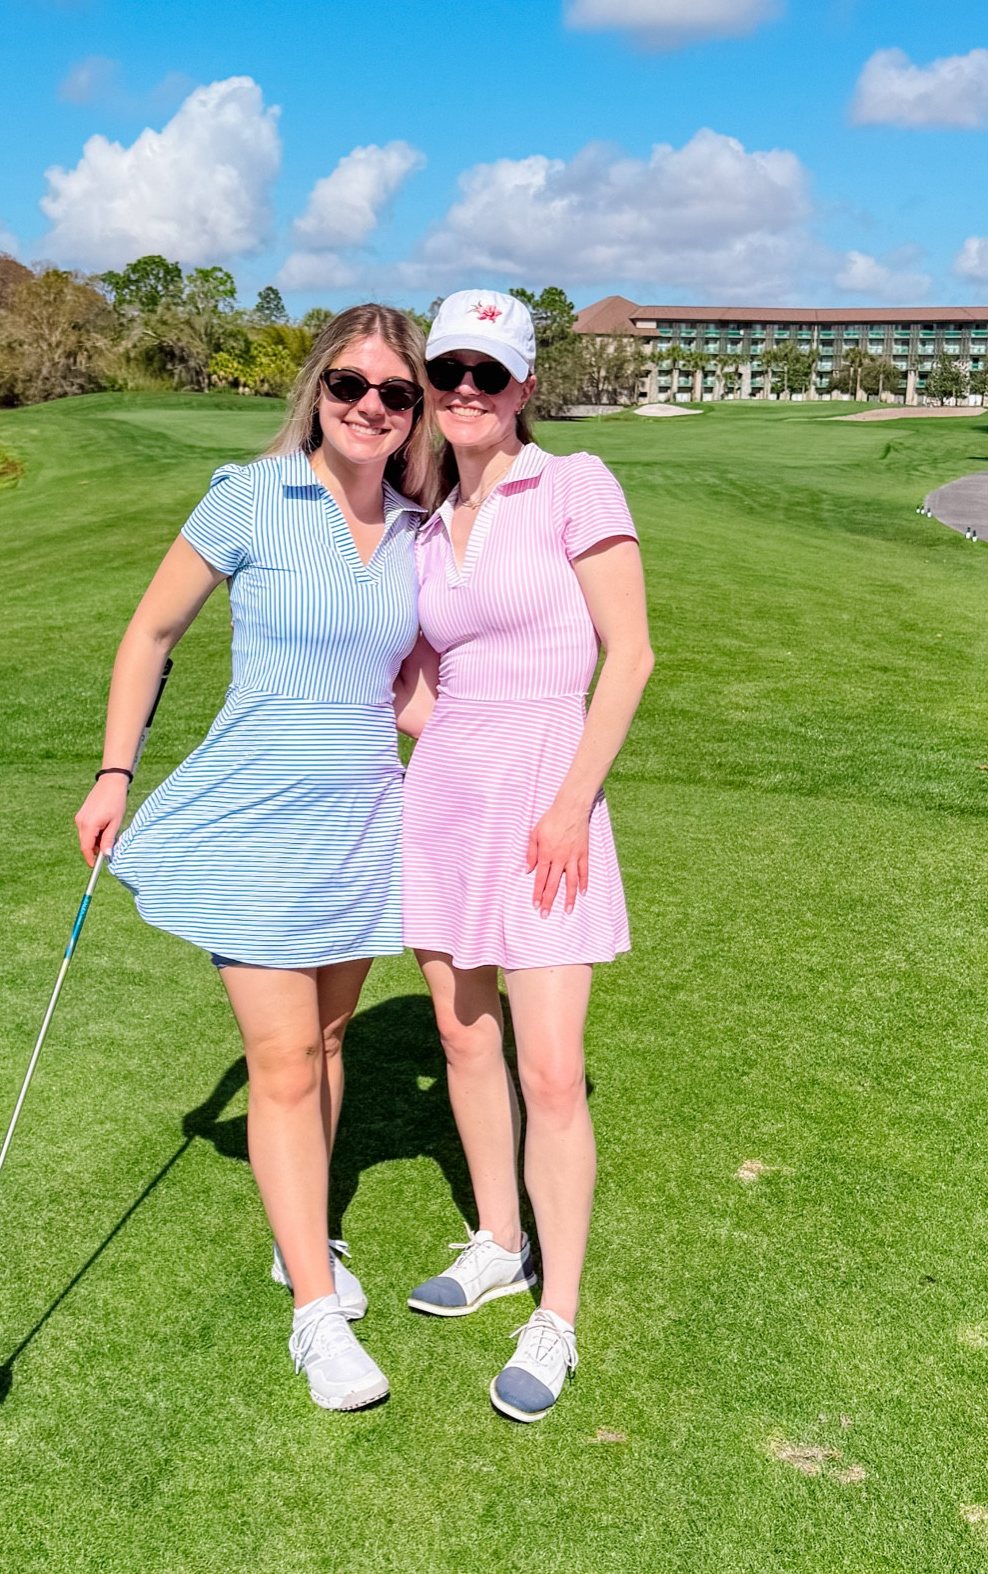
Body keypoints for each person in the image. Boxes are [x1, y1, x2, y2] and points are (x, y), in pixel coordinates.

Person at [75, 304, 431, 1413]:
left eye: (393, 391)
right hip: (257, 818)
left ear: (414, 409)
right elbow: (152, 633)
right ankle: (313, 1315)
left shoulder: (422, 529)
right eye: (348, 385)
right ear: (316, 390)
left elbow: (414, 692)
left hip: (365, 822)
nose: (369, 406)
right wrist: (113, 770)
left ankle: (304, 1230)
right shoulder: (250, 494)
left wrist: (526, 761)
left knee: (328, 1040)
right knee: (280, 1062)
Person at [394, 288, 654, 1422]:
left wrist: (565, 801)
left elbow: (631, 655)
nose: (464, 390)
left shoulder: (575, 481)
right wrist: (448, 740)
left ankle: (559, 1312)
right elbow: (413, 683)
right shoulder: (420, 520)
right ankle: (498, 1236)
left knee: (551, 1066)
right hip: (450, 797)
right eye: (447, 369)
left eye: (486, 374)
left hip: (552, 796)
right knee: (460, 1030)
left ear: (523, 388)